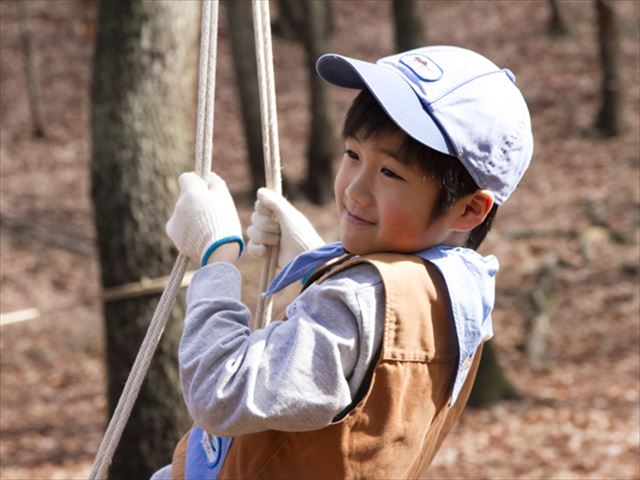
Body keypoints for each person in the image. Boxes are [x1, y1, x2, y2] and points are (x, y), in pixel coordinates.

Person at [152, 45, 533, 479]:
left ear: (468, 210)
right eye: (352, 155)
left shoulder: (354, 304)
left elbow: (220, 392)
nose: (355, 190)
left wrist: (215, 256)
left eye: (390, 173)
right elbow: (373, 353)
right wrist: (316, 255)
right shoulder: (461, 290)